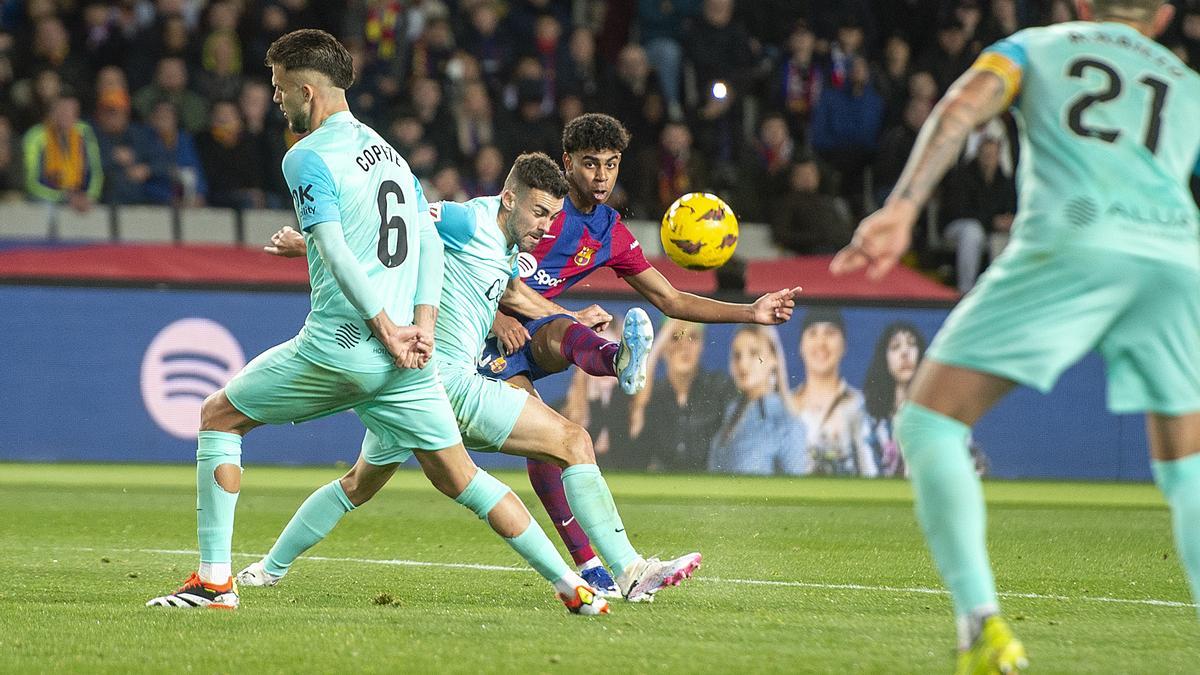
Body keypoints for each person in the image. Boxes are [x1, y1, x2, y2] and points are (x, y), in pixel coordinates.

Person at [146, 29, 608, 616]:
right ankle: (576, 589)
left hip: (342, 344)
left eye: (280, 87)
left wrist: (386, 325)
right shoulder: (390, 155)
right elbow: (428, 247)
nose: (277, 99)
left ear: (307, 91)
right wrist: (419, 326)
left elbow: (336, 252)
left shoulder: (306, 156)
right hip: (409, 363)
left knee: (219, 415)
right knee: (464, 480)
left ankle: (215, 584)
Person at [830, 1, 1200, 670]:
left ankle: (981, 625)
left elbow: (960, 107)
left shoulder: (1036, 46)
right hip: (1179, 256)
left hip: (1075, 238)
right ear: (1165, 15)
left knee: (929, 421)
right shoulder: (1186, 81)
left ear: (1083, 4)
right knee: (1188, 466)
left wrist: (904, 205)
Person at [244, 153, 703, 605]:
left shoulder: (504, 245)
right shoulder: (465, 221)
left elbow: (514, 293)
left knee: (356, 486)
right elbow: (391, 231)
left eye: (553, 216)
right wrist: (307, 245)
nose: (546, 227)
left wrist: (571, 316)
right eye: (539, 212)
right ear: (508, 199)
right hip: (446, 384)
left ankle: (267, 570)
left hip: (406, 388)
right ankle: (628, 571)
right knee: (572, 441)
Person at [480, 112, 801, 595]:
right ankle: (614, 361)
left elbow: (670, 299)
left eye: (611, 164)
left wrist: (751, 313)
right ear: (567, 163)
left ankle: (593, 567)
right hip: (470, 334)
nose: (602, 176)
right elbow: (469, 256)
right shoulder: (539, 207)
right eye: (590, 164)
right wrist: (493, 313)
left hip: (528, 338)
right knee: (549, 429)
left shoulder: (607, 230)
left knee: (555, 415)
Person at [629, 319, 736, 472]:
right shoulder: (653, 394)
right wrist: (655, 350)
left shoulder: (719, 387)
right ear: (662, 347)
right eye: (674, 337)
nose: (684, 347)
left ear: (702, 345)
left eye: (692, 338)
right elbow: (635, 420)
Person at [708, 325, 807, 475]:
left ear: (774, 359)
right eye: (737, 355)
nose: (743, 363)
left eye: (754, 353)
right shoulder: (731, 411)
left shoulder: (786, 419)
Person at [790, 308, 876, 477]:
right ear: (801, 346)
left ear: (844, 345)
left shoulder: (858, 404)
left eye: (830, 333)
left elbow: (869, 469)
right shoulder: (786, 404)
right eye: (813, 333)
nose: (821, 342)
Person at [862, 321, 926, 477]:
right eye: (895, 347)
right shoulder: (871, 422)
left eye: (911, 344)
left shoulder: (938, 412)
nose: (905, 353)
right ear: (885, 359)